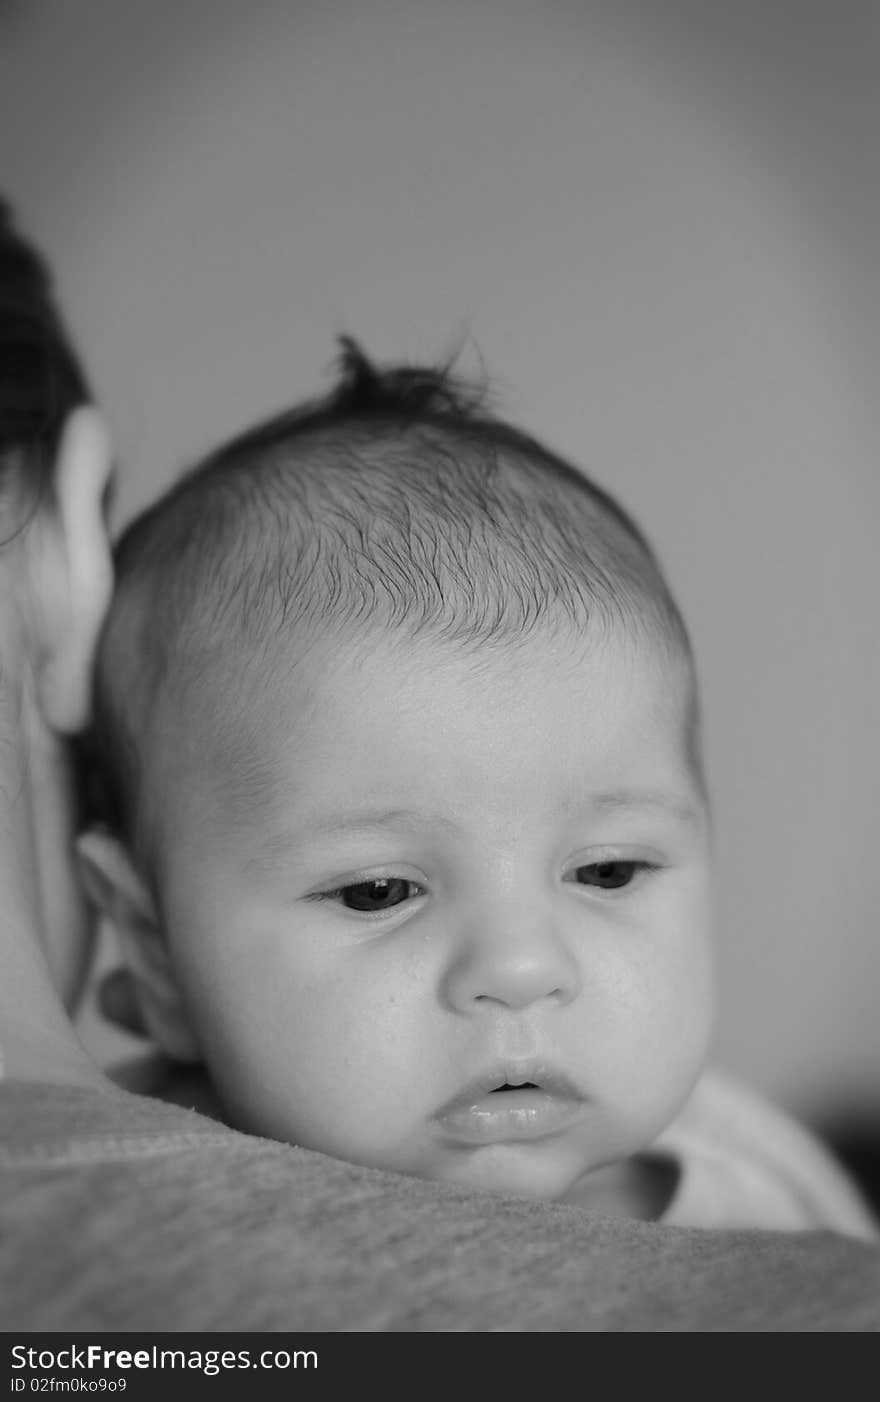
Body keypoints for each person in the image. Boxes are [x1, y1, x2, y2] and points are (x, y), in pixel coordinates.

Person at [2, 198, 879, 1335]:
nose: (518, 967)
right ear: (157, 953)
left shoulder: (778, 1188)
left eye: (610, 870)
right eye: (378, 889)